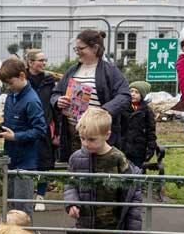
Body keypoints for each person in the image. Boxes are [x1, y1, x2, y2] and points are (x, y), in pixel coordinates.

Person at [51, 29, 131, 163]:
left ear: (95, 48)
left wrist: (104, 111)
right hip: (74, 133)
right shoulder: (72, 70)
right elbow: (56, 92)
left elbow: (124, 95)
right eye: (76, 49)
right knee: (77, 169)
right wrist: (58, 101)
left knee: (100, 172)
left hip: (98, 134)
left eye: (81, 48)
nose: (77, 52)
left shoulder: (110, 71)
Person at [0, 58, 47, 217]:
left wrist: (16, 136)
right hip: (11, 158)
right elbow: (11, 122)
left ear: (22, 76)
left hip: (26, 162)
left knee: (23, 210)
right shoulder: (12, 96)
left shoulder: (31, 100)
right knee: (11, 205)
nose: (8, 87)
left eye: (10, 83)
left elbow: (40, 130)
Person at [24, 49, 59, 211]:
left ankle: (41, 196)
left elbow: (54, 106)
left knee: (44, 164)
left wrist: (56, 131)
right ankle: (27, 194)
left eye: (45, 60)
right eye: (40, 60)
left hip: (45, 126)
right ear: (30, 63)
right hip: (26, 127)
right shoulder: (22, 80)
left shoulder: (50, 81)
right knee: (28, 162)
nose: (44, 63)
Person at [119, 80, 158, 171]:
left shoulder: (147, 111)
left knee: (138, 170)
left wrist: (151, 148)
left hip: (138, 148)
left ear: (142, 95)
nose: (133, 94)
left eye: (136, 92)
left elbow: (151, 131)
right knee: (123, 169)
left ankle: (138, 184)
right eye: (131, 91)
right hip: (123, 146)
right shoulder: (122, 108)